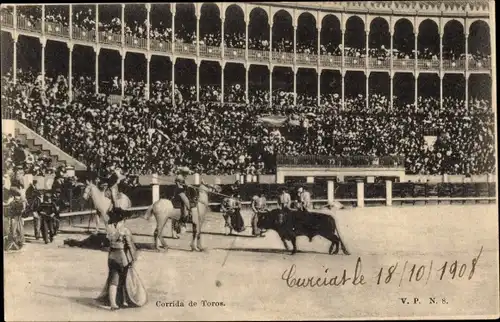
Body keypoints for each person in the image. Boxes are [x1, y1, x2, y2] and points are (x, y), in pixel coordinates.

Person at [96, 213, 147, 310]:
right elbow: (130, 246)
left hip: (111, 257)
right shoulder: (125, 231)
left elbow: (105, 246)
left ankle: (113, 303)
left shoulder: (109, 231)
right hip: (122, 258)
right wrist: (134, 258)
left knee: (113, 280)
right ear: (122, 221)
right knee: (123, 280)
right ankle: (123, 300)